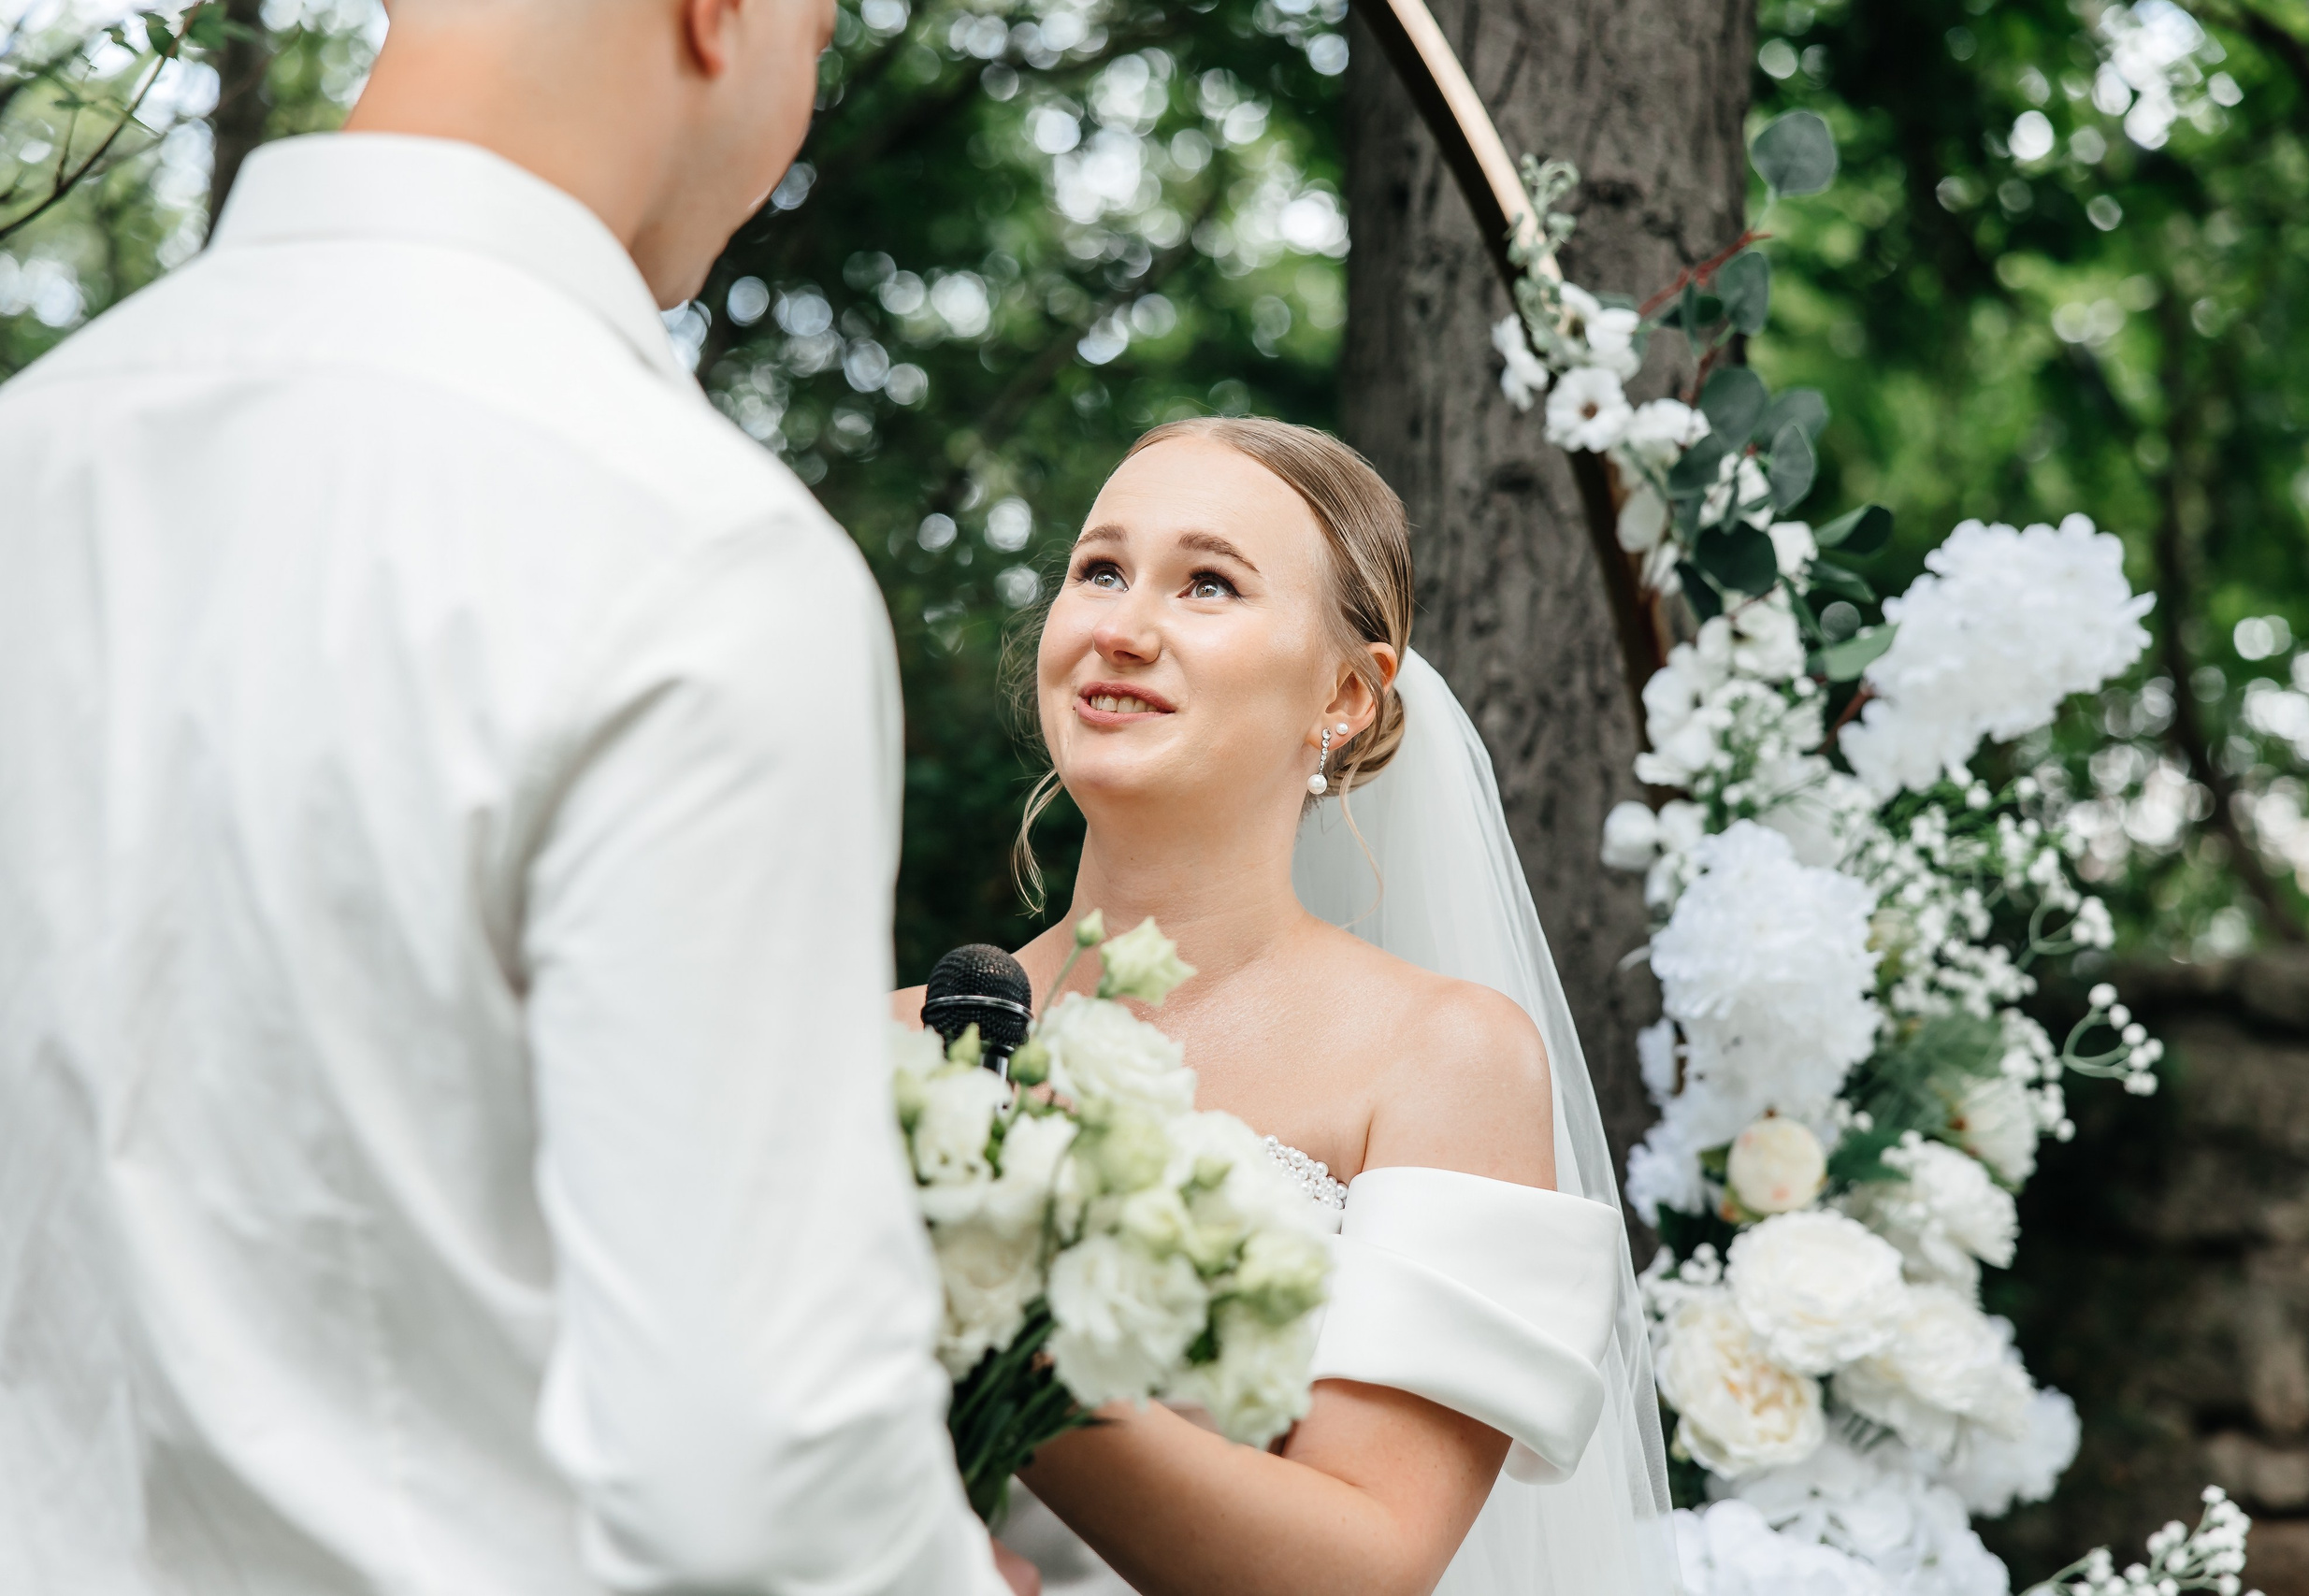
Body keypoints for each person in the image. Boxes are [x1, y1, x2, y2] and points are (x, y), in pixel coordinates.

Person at [0, 2, 1030, 1591]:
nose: (805, 105)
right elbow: (754, 1488)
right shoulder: (692, 556)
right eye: (819, 33)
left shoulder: (37, 453)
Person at [897, 417, 1681, 1595]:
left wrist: (991, 1330)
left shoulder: (1439, 1060)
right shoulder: (885, 1043)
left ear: (1345, 697)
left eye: (1206, 583)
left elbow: (1364, 1562)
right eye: (1099, 571)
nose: (1121, 627)